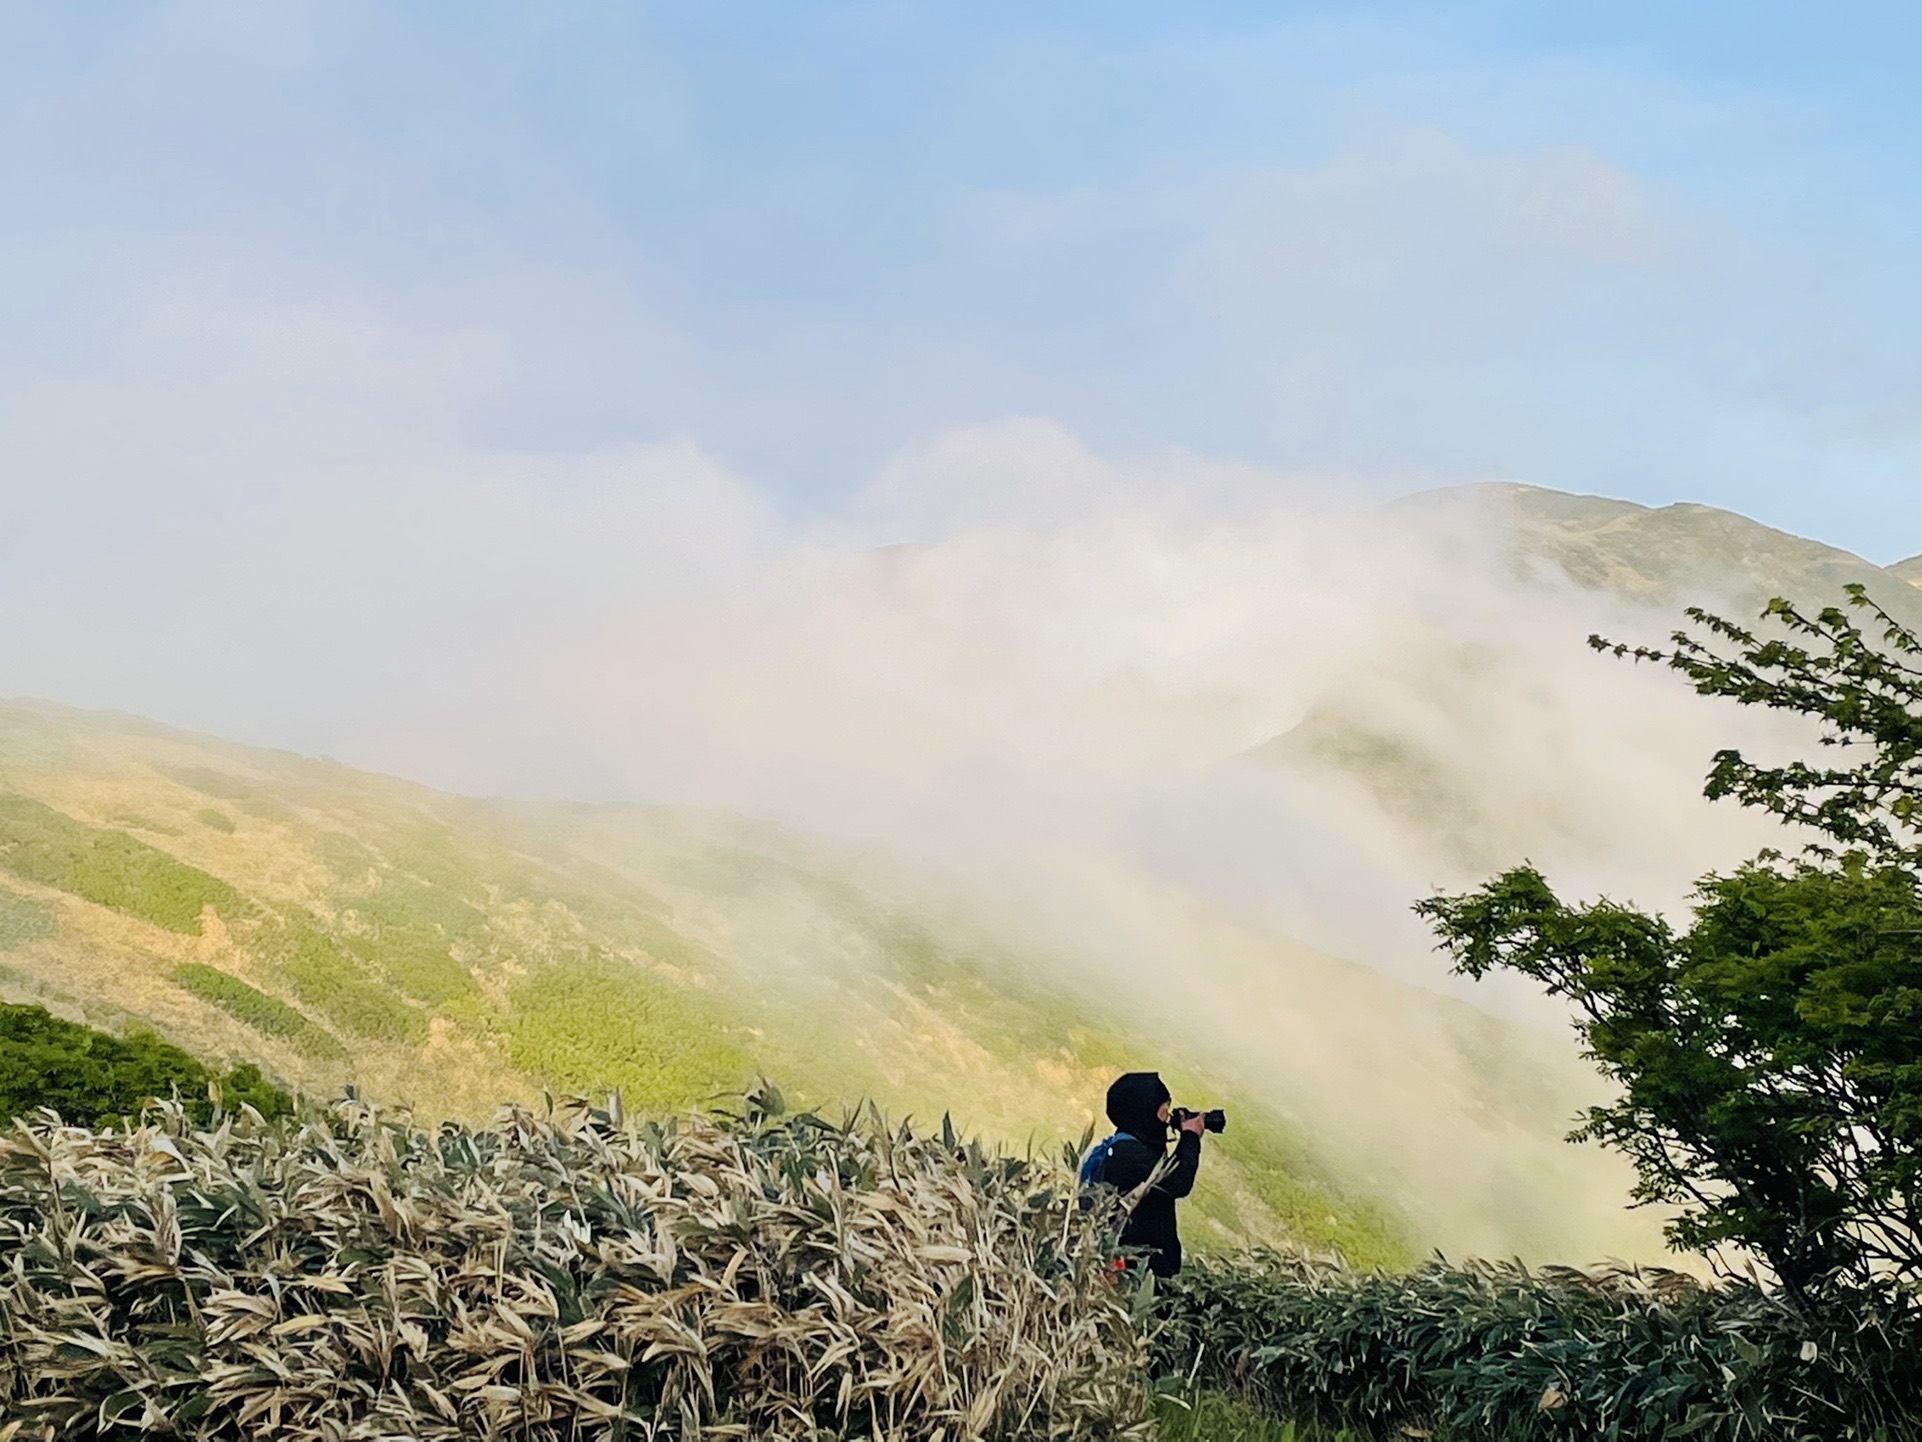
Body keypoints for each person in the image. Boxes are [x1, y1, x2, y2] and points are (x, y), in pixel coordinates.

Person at [1083, 1071, 1205, 1277]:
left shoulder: (1128, 1145)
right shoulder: (1128, 1155)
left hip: (1140, 1267)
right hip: (1133, 1274)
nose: (1166, 1118)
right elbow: (1179, 1182)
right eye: (1163, 1110)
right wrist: (1190, 1136)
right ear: (1145, 1113)